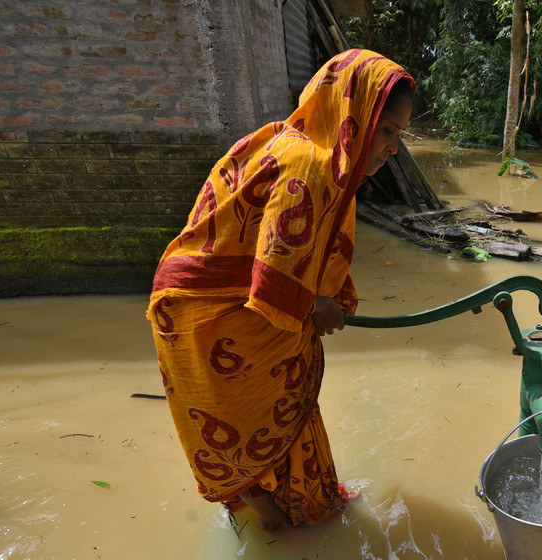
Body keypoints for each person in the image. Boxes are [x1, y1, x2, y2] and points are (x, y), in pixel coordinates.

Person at [147, 49, 414, 531]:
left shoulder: (286, 137)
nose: (393, 149)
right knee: (276, 419)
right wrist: (321, 307)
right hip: (215, 313)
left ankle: (280, 524)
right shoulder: (311, 165)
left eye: (399, 135)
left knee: (271, 422)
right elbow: (276, 290)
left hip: (185, 305)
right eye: (389, 131)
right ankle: (289, 531)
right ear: (354, 119)